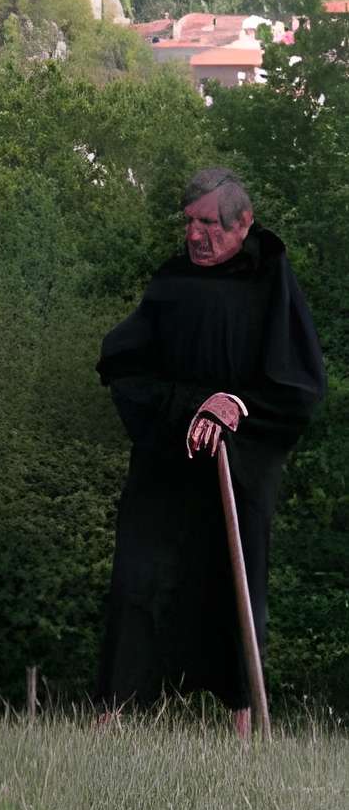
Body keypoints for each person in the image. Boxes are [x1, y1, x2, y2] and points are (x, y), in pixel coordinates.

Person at [94, 167, 325, 736]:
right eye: (189, 222)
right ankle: (112, 718)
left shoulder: (271, 282)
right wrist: (192, 406)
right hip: (167, 464)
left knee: (235, 589)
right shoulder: (173, 280)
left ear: (243, 223)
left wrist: (235, 407)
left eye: (208, 224)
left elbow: (298, 386)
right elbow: (124, 364)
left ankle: (241, 730)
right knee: (138, 581)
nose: (195, 235)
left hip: (239, 467)